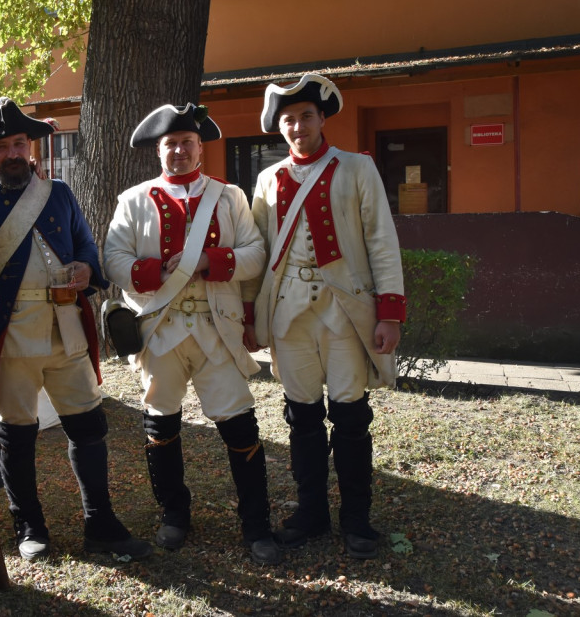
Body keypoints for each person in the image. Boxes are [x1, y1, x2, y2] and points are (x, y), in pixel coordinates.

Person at [0, 97, 152, 562]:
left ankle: (101, 522)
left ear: (29, 146)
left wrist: (83, 270)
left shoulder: (59, 195)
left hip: (65, 327)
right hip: (9, 336)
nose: (13, 153)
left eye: (19, 143)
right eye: (2, 146)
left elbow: (90, 254)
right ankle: (28, 523)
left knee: (88, 426)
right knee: (16, 431)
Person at [103, 103, 281, 565]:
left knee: (239, 422)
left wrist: (211, 262)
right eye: (170, 144)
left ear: (200, 146)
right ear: (158, 151)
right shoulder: (134, 199)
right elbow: (114, 259)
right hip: (159, 328)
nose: (179, 151)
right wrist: (149, 271)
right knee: (160, 424)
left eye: (186, 142)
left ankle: (256, 524)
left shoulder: (228, 197)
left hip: (215, 327)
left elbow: (256, 253)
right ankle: (174, 515)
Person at [251, 74, 406, 559]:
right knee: (302, 419)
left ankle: (357, 519)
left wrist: (390, 311)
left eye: (306, 116)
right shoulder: (266, 180)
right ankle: (311, 512)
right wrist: (247, 315)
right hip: (288, 316)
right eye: (288, 120)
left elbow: (381, 239)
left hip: (344, 313)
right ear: (280, 128)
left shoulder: (357, 168)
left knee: (351, 416)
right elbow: (256, 252)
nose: (298, 127)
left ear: (321, 119)